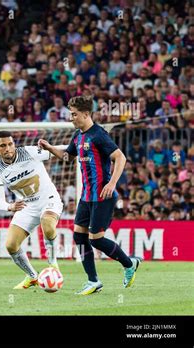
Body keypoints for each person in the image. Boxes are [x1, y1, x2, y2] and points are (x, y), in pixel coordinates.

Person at [38, 95, 141, 295]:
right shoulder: (78, 136)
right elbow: (68, 157)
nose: (71, 118)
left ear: (86, 114)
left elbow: (120, 157)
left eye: (74, 114)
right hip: (86, 196)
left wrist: (112, 183)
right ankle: (93, 281)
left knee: (96, 239)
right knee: (79, 236)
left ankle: (129, 264)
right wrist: (50, 148)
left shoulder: (98, 135)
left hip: (103, 195)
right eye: (70, 114)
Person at [0, 131, 65, 289]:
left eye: (10, 144)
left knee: (47, 223)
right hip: (26, 206)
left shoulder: (28, 152)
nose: (8, 148)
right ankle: (32, 277)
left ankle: (53, 264)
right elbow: (0, 199)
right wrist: (10, 206)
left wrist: (80, 148)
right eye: (3, 145)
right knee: (10, 245)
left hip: (48, 199)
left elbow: (59, 149)